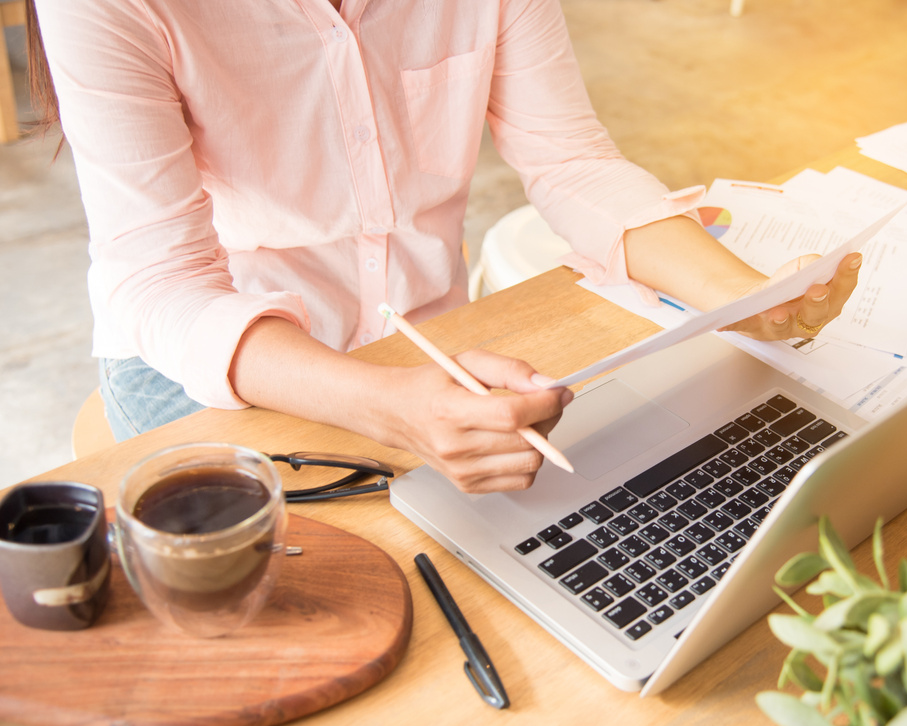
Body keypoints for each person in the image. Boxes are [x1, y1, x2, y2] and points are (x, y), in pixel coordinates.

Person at [26, 0, 860, 493]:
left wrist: (747, 295)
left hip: (430, 351)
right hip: (216, 373)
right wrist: (390, 407)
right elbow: (162, 283)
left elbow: (571, 162)